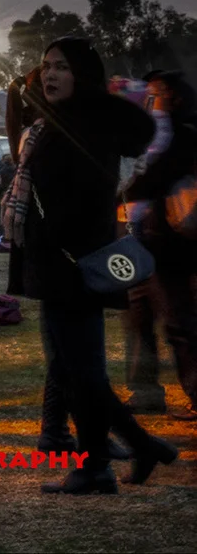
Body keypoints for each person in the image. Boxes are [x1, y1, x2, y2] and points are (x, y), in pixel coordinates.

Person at [7, 37, 177, 493]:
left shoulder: (88, 124)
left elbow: (81, 198)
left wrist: (101, 96)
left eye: (61, 67)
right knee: (78, 371)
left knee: (83, 373)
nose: (49, 74)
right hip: (62, 265)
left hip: (74, 265)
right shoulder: (58, 121)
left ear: (82, 73)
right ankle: (116, 455)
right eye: (46, 66)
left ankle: (108, 460)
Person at [124, 70, 197, 414]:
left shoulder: (182, 134)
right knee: (137, 315)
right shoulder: (153, 132)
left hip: (168, 241)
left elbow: (153, 176)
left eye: (157, 94)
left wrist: (129, 187)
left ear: (175, 96)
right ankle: (145, 392)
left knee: (177, 319)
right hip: (142, 236)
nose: (151, 100)